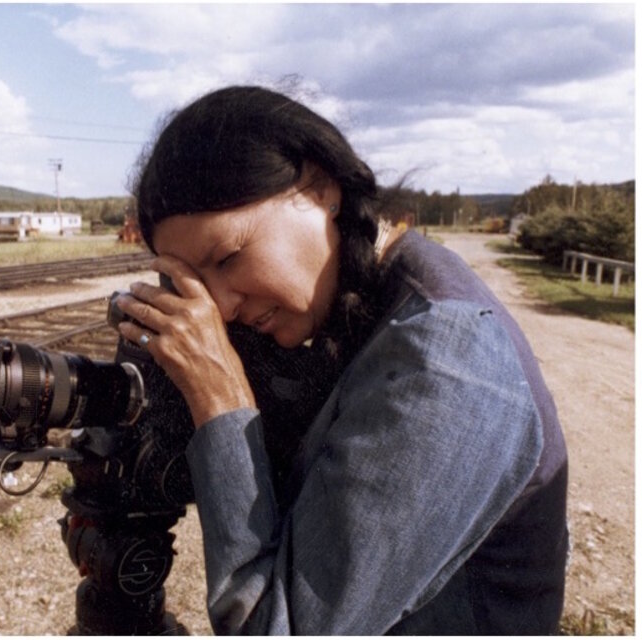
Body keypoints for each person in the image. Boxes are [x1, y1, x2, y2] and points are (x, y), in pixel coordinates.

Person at [112, 85, 568, 635]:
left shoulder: (442, 359)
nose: (224, 307)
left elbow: (274, 627)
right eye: (197, 286)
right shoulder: (378, 302)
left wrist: (220, 396)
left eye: (229, 257)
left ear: (320, 189)